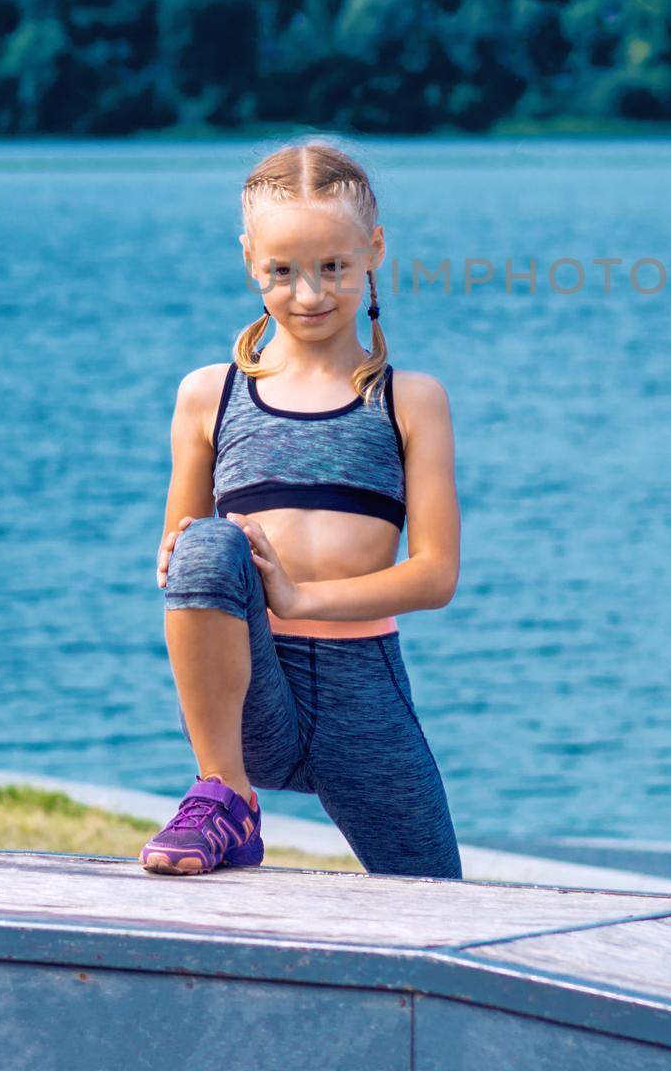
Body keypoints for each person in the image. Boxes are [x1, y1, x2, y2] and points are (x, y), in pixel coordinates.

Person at [139, 136, 463, 879]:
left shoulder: (410, 401)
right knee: (207, 545)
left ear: (373, 251)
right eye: (282, 271)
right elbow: (181, 561)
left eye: (333, 268)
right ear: (250, 257)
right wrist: (177, 558)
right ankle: (224, 795)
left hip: (362, 692)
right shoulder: (207, 396)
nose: (309, 294)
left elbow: (436, 574)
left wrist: (301, 593)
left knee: (435, 900)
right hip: (249, 688)